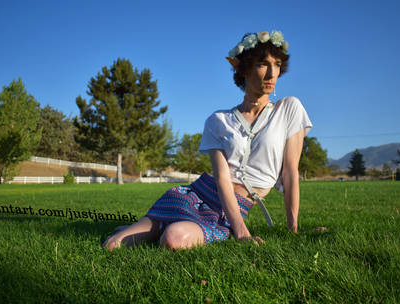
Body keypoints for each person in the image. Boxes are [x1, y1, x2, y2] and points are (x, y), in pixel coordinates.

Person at [103, 30, 312, 251]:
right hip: (193, 195)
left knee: (173, 240)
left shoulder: (289, 109)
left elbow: (290, 171)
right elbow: (222, 178)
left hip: (227, 211)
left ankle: (158, 229)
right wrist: (242, 233)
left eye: (277, 65)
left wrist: (294, 229)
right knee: (112, 245)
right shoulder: (219, 120)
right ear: (244, 68)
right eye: (262, 64)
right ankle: (152, 225)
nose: (272, 73)